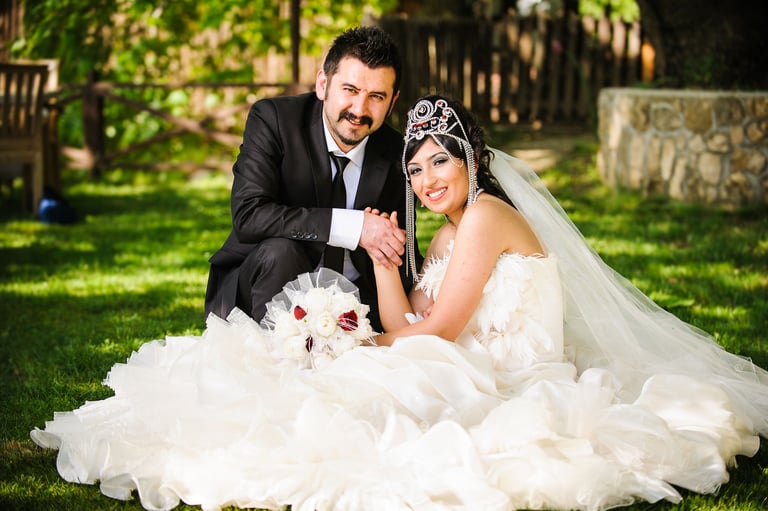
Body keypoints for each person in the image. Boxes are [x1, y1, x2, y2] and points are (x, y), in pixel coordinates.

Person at [30, 95, 768, 511]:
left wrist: (367, 343)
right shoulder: (444, 233)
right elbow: (405, 318)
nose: (425, 179)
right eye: (414, 170)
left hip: (504, 371)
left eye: (439, 161)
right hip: (458, 359)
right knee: (364, 380)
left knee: (372, 386)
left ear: (470, 160)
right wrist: (385, 259)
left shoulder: (485, 217)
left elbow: (432, 329)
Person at [204, 25, 416, 331]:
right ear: (323, 84)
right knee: (282, 251)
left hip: (356, 306)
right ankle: (274, 352)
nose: (359, 109)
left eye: (376, 96)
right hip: (266, 287)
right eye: (350, 90)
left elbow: (402, 251)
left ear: (392, 102)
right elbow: (249, 215)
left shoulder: (399, 153)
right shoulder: (274, 120)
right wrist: (355, 227)